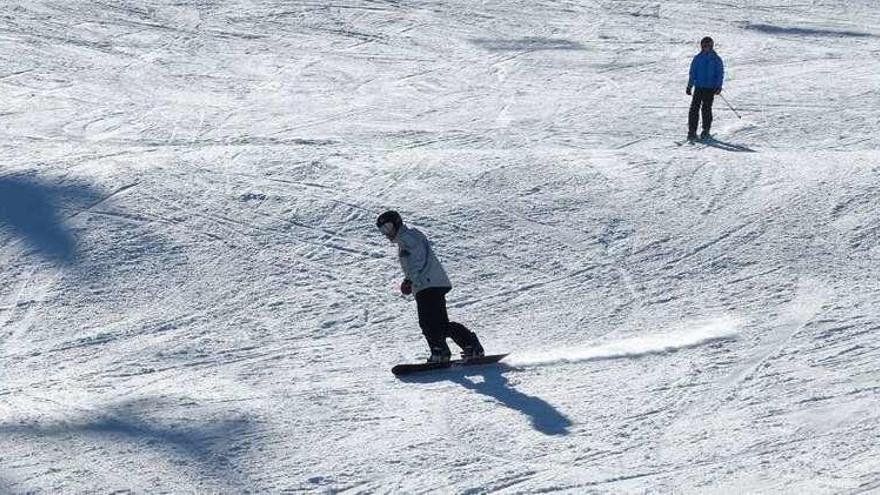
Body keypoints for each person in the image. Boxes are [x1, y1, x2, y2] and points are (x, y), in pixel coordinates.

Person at [376, 210, 485, 363]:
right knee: (439, 324)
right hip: (427, 285)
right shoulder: (404, 240)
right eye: (383, 230)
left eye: (388, 227)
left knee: (428, 322)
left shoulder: (409, 237)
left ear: (397, 223)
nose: (386, 233)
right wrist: (411, 281)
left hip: (429, 285)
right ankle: (466, 346)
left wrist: (409, 280)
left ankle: (441, 351)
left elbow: (418, 259)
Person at [686, 36, 724, 141]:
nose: (706, 48)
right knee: (694, 109)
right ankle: (692, 131)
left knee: (706, 109)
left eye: (708, 46)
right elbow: (693, 73)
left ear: (711, 46)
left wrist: (718, 86)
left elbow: (719, 73)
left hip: (710, 88)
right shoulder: (698, 58)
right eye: (704, 46)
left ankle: (706, 130)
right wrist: (690, 85)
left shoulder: (716, 59)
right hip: (699, 87)